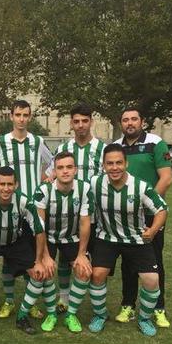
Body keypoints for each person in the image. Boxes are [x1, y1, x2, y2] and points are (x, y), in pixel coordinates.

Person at [87, 143, 168, 337]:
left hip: (136, 239)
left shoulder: (140, 186)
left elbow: (162, 209)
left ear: (126, 163)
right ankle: (100, 315)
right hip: (107, 237)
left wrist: (154, 230)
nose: (114, 167)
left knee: (151, 279)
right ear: (104, 166)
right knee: (97, 274)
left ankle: (144, 319)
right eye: (110, 164)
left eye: (118, 163)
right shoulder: (95, 183)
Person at [0, 167, 53, 335]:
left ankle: (22, 316)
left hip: (14, 241)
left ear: (16, 185)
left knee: (38, 274)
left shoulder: (24, 201)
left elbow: (39, 230)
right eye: (2, 184)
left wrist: (39, 261)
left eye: (10, 184)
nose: (6, 188)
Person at [0, 100, 53, 318]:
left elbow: (52, 164)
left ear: (30, 117)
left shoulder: (37, 141)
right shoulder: (1, 142)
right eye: (18, 115)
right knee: (8, 257)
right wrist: (0, 189)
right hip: (9, 207)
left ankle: (30, 301)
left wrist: (43, 184)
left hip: (31, 208)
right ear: (12, 116)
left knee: (30, 258)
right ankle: (8, 301)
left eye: (25, 115)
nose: (22, 119)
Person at [115, 107, 172, 328]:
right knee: (128, 262)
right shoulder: (117, 146)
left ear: (142, 121)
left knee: (154, 261)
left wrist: (146, 202)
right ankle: (128, 305)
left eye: (134, 119)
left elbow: (166, 178)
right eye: (125, 120)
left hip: (151, 215)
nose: (130, 123)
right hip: (125, 216)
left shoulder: (156, 142)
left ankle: (159, 308)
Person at [48, 104, 104, 312]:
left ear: (91, 121)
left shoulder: (101, 148)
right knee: (64, 259)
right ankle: (64, 298)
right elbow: (50, 175)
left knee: (92, 263)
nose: (81, 125)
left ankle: (97, 306)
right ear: (71, 123)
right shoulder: (64, 149)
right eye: (76, 121)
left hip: (92, 216)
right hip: (64, 215)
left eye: (85, 120)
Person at [34, 151, 94, 332]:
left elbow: (85, 222)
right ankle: (52, 313)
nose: (65, 171)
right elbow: (40, 226)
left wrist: (82, 254)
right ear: (54, 171)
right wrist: (44, 255)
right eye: (60, 167)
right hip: (48, 237)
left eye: (69, 167)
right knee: (45, 271)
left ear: (75, 170)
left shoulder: (84, 188)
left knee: (84, 271)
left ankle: (71, 314)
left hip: (71, 237)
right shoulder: (43, 190)